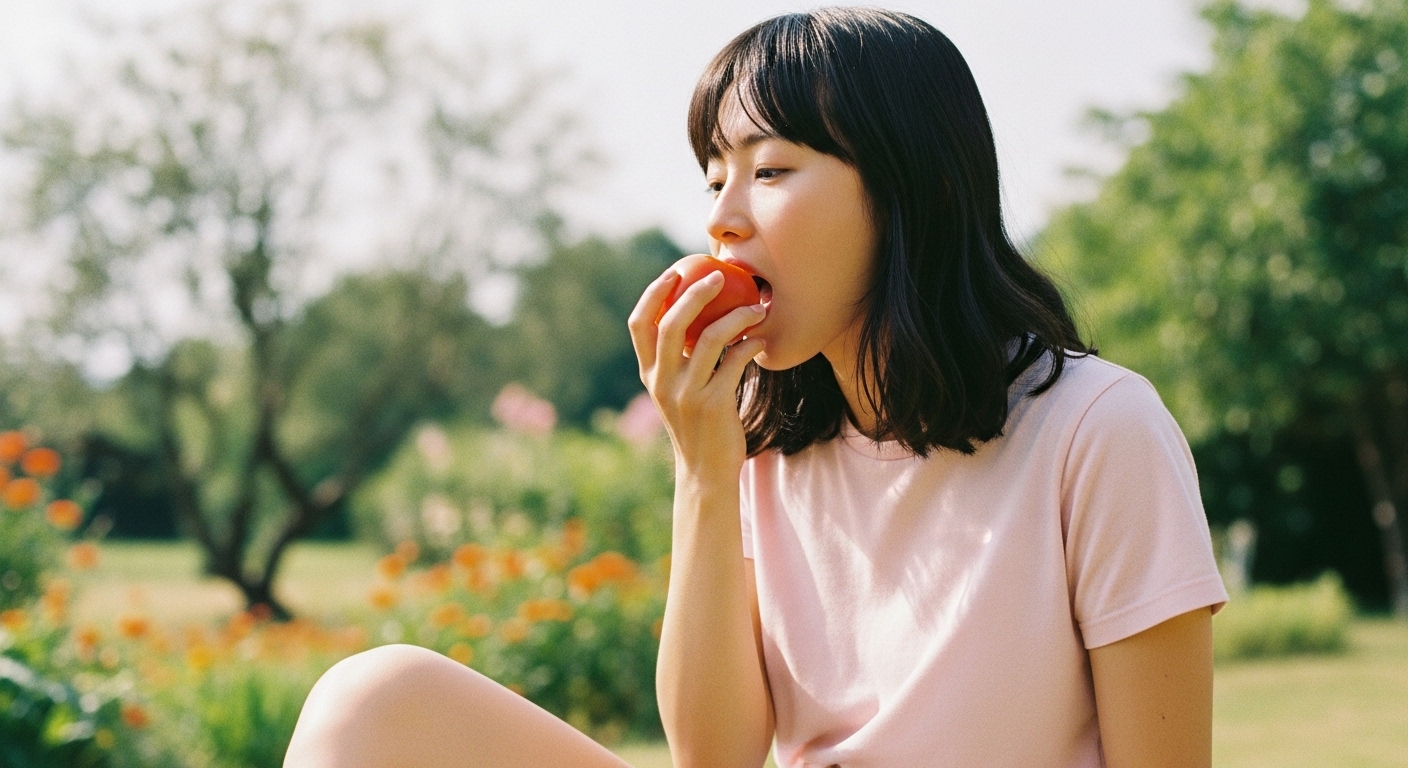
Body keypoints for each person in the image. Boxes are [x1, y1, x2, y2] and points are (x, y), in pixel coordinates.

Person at [283, 8, 1227, 768]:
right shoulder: (766, 448)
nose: (723, 221)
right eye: (713, 180)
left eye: (770, 169)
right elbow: (714, 759)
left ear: (915, 191)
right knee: (373, 699)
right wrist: (704, 468)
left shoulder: (1097, 431)